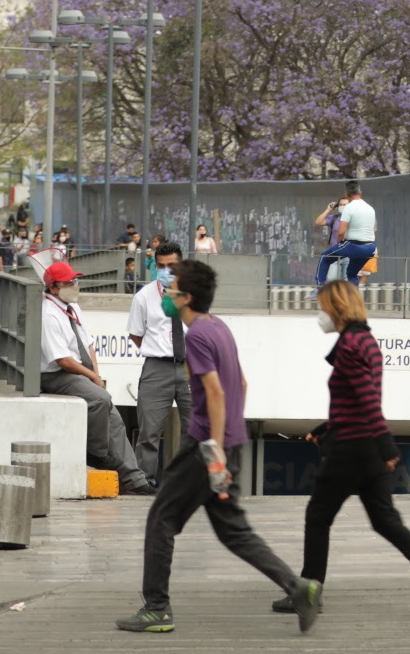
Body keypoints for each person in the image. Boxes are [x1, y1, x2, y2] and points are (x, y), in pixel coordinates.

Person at [116, 259, 319, 635]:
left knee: (161, 519)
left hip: (205, 449)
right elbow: (241, 384)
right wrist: (229, 444)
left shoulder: (195, 337)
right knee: (233, 531)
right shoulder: (219, 327)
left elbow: (216, 392)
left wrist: (215, 451)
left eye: (173, 290)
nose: (167, 294)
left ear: (187, 298)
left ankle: (157, 608)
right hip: (231, 444)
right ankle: (299, 588)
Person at [297, 279, 410, 621]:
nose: (319, 313)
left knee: (317, 517)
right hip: (367, 447)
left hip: (350, 451)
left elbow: (367, 397)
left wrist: (386, 443)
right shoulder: (365, 340)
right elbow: (357, 399)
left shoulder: (350, 345)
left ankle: (309, 592)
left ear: (337, 307)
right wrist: (327, 428)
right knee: (386, 520)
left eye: (322, 306)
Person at [38, 261, 153, 495]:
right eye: (69, 283)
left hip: (77, 372)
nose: (75, 286)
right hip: (57, 375)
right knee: (100, 399)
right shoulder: (48, 315)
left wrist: (96, 375)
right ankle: (98, 454)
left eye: (75, 281)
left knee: (114, 417)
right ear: (54, 288)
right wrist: (91, 376)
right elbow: (63, 360)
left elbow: (88, 344)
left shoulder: (72, 307)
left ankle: (134, 479)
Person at [129, 241, 194, 484]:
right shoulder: (143, 297)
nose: (166, 270)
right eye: (161, 266)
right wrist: (158, 350)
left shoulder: (194, 294)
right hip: (157, 368)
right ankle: (143, 482)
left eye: (172, 265)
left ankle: (190, 481)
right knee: (149, 431)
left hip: (190, 367)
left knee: (195, 428)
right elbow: (136, 333)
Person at [313, 181, 377, 286]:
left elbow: (341, 232)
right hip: (370, 248)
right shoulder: (370, 208)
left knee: (325, 257)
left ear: (346, 194)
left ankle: (320, 288)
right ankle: (354, 299)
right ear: (360, 193)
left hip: (354, 246)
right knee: (352, 273)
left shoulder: (349, 208)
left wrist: (340, 243)